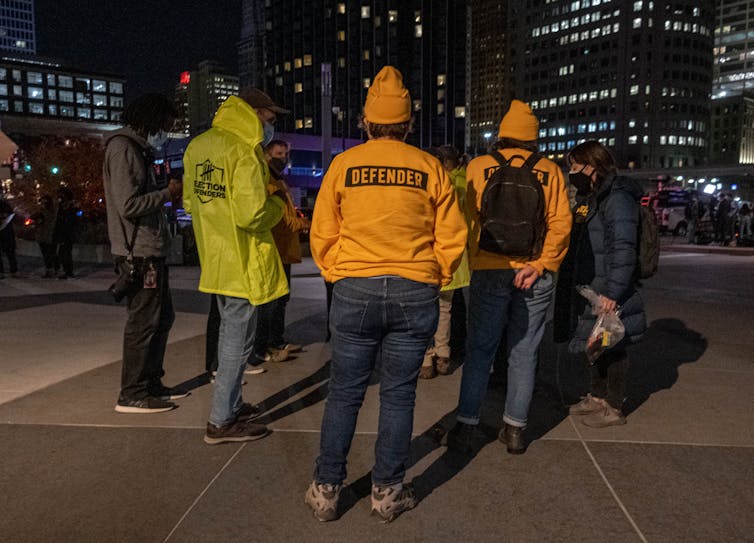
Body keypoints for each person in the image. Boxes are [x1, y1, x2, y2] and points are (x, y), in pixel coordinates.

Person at [304, 66, 466, 523]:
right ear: (408, 123)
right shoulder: (429, 166)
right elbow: (452, 234)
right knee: (398, 396)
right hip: (415, 290)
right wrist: (434, 274)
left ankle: (326, 491)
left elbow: (323, 232)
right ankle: (388, 492)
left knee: (344, 394)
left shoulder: (344, 165)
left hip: (356, 288)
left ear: (367, 121)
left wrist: (339, 273)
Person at [447, 99, 572, 455]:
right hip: (534, 272)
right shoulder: (550, 171)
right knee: (524, 351)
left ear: (502, 135)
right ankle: (515, 429)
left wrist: (475, 259)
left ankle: (466, 426)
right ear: (533, 138)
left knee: (480, 350)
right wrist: (542, 263)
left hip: (490, 268)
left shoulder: (479, 166)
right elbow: (561, 224)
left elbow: (467, 220)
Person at [183, 87, 290, 444]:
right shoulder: (244, 152)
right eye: (270, 119)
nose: (271, 127)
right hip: (243, 258)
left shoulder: (198, 146)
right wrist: (276, 207)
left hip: (214, 256)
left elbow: (189, 199)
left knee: (230, 336)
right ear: (255, 114)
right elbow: (252, 213)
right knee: (237, 342)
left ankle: (232, 404)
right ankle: (221, 420)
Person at [103, 93, 188, 414]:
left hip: (150, 248)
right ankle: (133, 392)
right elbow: (128, 205)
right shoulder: (123, 149)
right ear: (152, 119)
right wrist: (167, 193)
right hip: (138, 252)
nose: (166, 132)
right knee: (143, 322)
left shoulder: (137, 148)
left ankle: (151, 381)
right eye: (166, 125)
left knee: (162, 318)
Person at [554, 140, 647, 427]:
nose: (573, 171)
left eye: (576, 165)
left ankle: (614, 405)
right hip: (591, 284)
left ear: (594, 165)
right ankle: (597, 396)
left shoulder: (616, 198)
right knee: (593, 342)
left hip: (607, 286)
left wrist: (613, 291)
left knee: (614, 345)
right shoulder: (591, 197)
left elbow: (623, 247)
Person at [252, 139, 310, 364]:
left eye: (286, 153)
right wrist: (305, 224)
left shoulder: (280, 181)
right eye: (278, 153)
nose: (283, 157)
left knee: (282, 299)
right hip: (273, 248)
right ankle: (263, 347)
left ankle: (276, 340)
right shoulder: (266, 181)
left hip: (284, 249)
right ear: (267, 155)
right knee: (270, 303)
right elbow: (280, 220)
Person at [419, 145, 470, 379]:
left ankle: (427, 360)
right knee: (445, 311)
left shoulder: (430, 183)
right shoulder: (467, 182)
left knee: (424, 311)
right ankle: (443, 355)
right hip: (454, 260)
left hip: (426, 258)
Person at [32, 193, 58, 277]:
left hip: (50, 235)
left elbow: (51, 222)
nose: (43, 204)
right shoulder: (40, 211)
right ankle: (49, 270)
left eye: (45, 202)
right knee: (45, 254)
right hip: (41, 235)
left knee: (51, 253)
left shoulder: (53, 211)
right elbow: (35, 219)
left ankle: (55, 269)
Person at [54, 186, 77, 279]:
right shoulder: (61, 207)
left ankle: (68, 271)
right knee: (62, 253)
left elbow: (73, 220)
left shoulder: (70, 208)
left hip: (68, 233)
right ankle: (66, 270)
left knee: (65, 252)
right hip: (62, 232)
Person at [0, 196, 18, 279]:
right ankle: (1, 271)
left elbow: (10, 216)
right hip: (5, 231)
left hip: (6, 232)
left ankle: (14, 271)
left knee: (10, 252)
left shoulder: (5, 205)